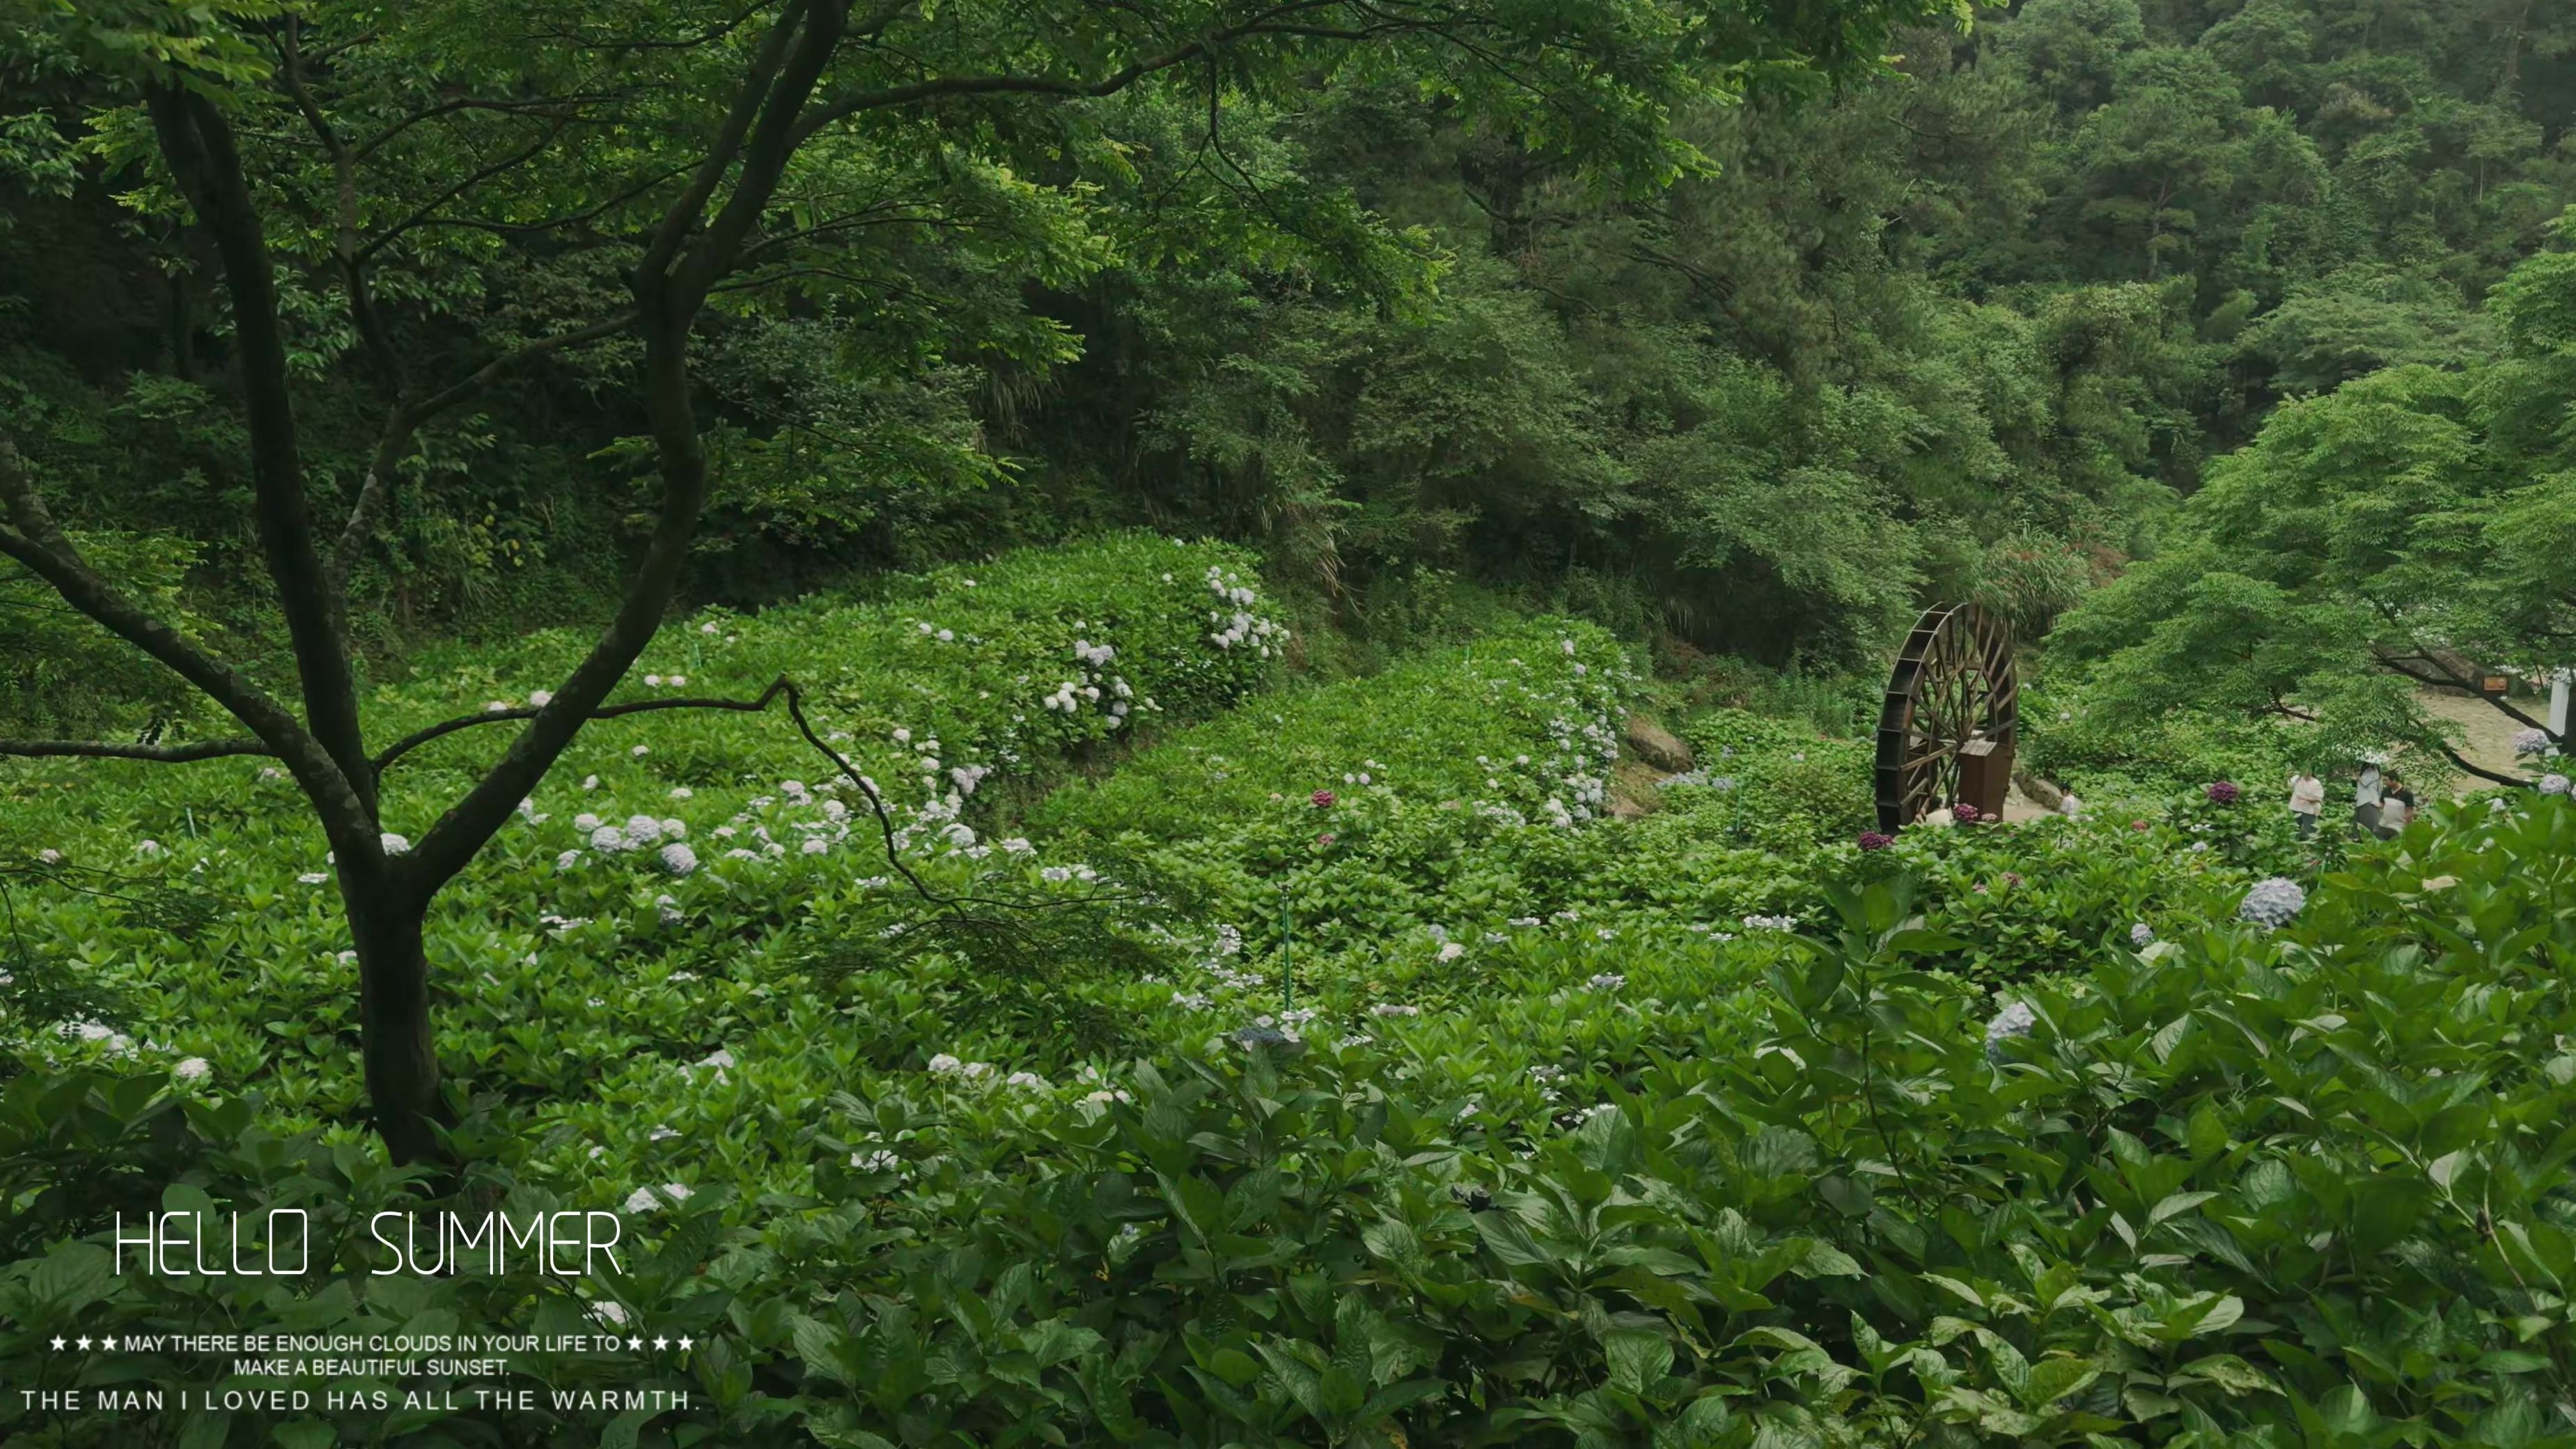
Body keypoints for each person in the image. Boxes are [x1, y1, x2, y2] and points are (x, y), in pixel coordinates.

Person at [2287, 768, 2324, 838]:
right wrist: (2288, 777)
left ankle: (2311, 845)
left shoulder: (2316, 783)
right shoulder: (2297, 778)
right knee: (2294, 829)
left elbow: (2318, 799)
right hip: (2296, 808)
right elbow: (2289, 786)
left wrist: (2306, 798)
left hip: (2308, 810)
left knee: (2310, 830)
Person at [2353, 763, 2382, 836]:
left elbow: (2364, 782)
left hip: (2369, 799)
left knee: (2369, 821)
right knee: (2362, 820)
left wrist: (2356, 774)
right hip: (2363, 799)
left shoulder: (2372, 771)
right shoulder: (2369, 771)